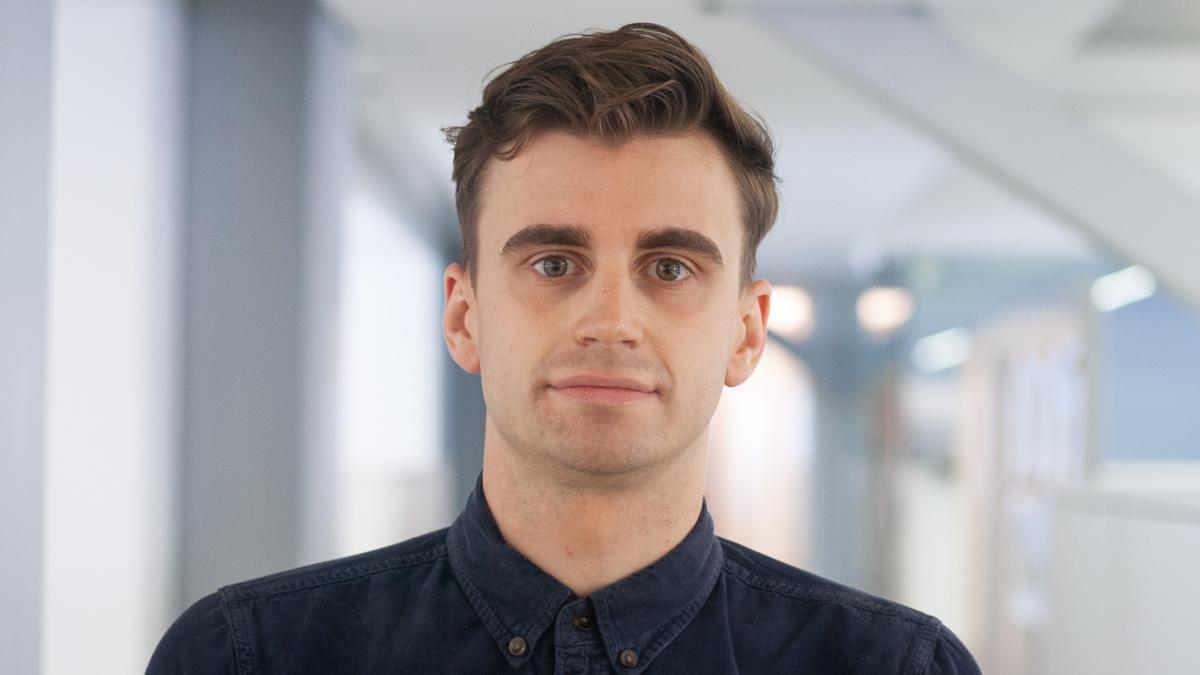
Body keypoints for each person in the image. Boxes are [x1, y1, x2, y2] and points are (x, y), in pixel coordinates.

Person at [148, 22, 980, 673]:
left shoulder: (896, 665)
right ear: (465, 317)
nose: (609, 318)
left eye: (669, 266)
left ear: (746, 330)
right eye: (554, 262)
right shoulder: (247, 656)